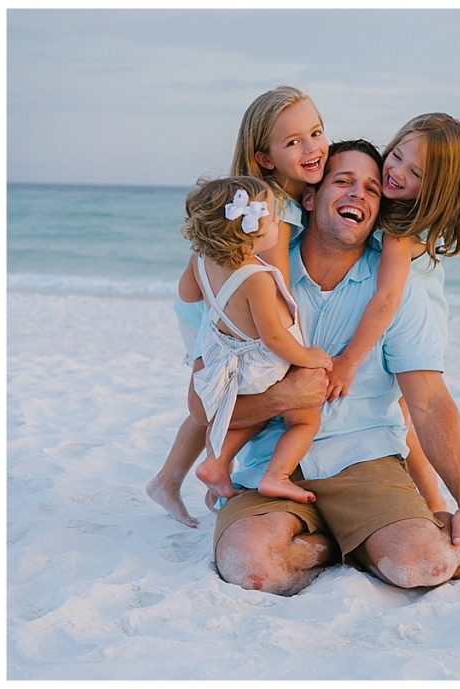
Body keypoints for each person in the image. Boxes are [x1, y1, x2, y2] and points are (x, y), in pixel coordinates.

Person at [193, 140, 460, 595]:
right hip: (269, 466)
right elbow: (200, 407)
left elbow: (427, 400)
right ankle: (335, 541)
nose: (358, 194)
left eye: (371, 189)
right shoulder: (254, 278)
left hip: (364, 460)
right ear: (310, 197)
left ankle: (360, 531)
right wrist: (281, 399)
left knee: (424, 565)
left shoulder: (396, 290)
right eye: (343, 181)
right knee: (250, 566)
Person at [147, 86, 329, 527]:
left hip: (208, 304)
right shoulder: (272, 210)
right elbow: (276, 285)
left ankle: (178, 478)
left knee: (213, 395)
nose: (312, 148)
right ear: (264, 157)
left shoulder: (250, 195)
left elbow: (194, 276)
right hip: (221, 315)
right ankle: (188, 476)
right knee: (212, 399)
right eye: (293, 142)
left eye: (316, 132)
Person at [325, 113, 460, 513]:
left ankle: (436, 504)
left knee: (406, 419)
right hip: (404, 306)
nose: (397, 172)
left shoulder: (401, 228)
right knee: (401, 417)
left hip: (415, 313)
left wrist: (348, 361)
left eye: (416, 173)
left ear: (437, 188)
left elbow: (389, 296)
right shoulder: (392, 205)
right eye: (397, 155)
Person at [178, 176, 332, 504]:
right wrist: (308, 357)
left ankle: (216, 463)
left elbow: (187, 293)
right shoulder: (256, 279)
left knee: (251, 417)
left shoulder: (202, 259)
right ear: (251, 229)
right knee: (306, 418)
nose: (278, 221)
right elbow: (274, 338)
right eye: (274, 216)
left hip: (222, 352)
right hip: (256, 364)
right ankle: (276, 476)